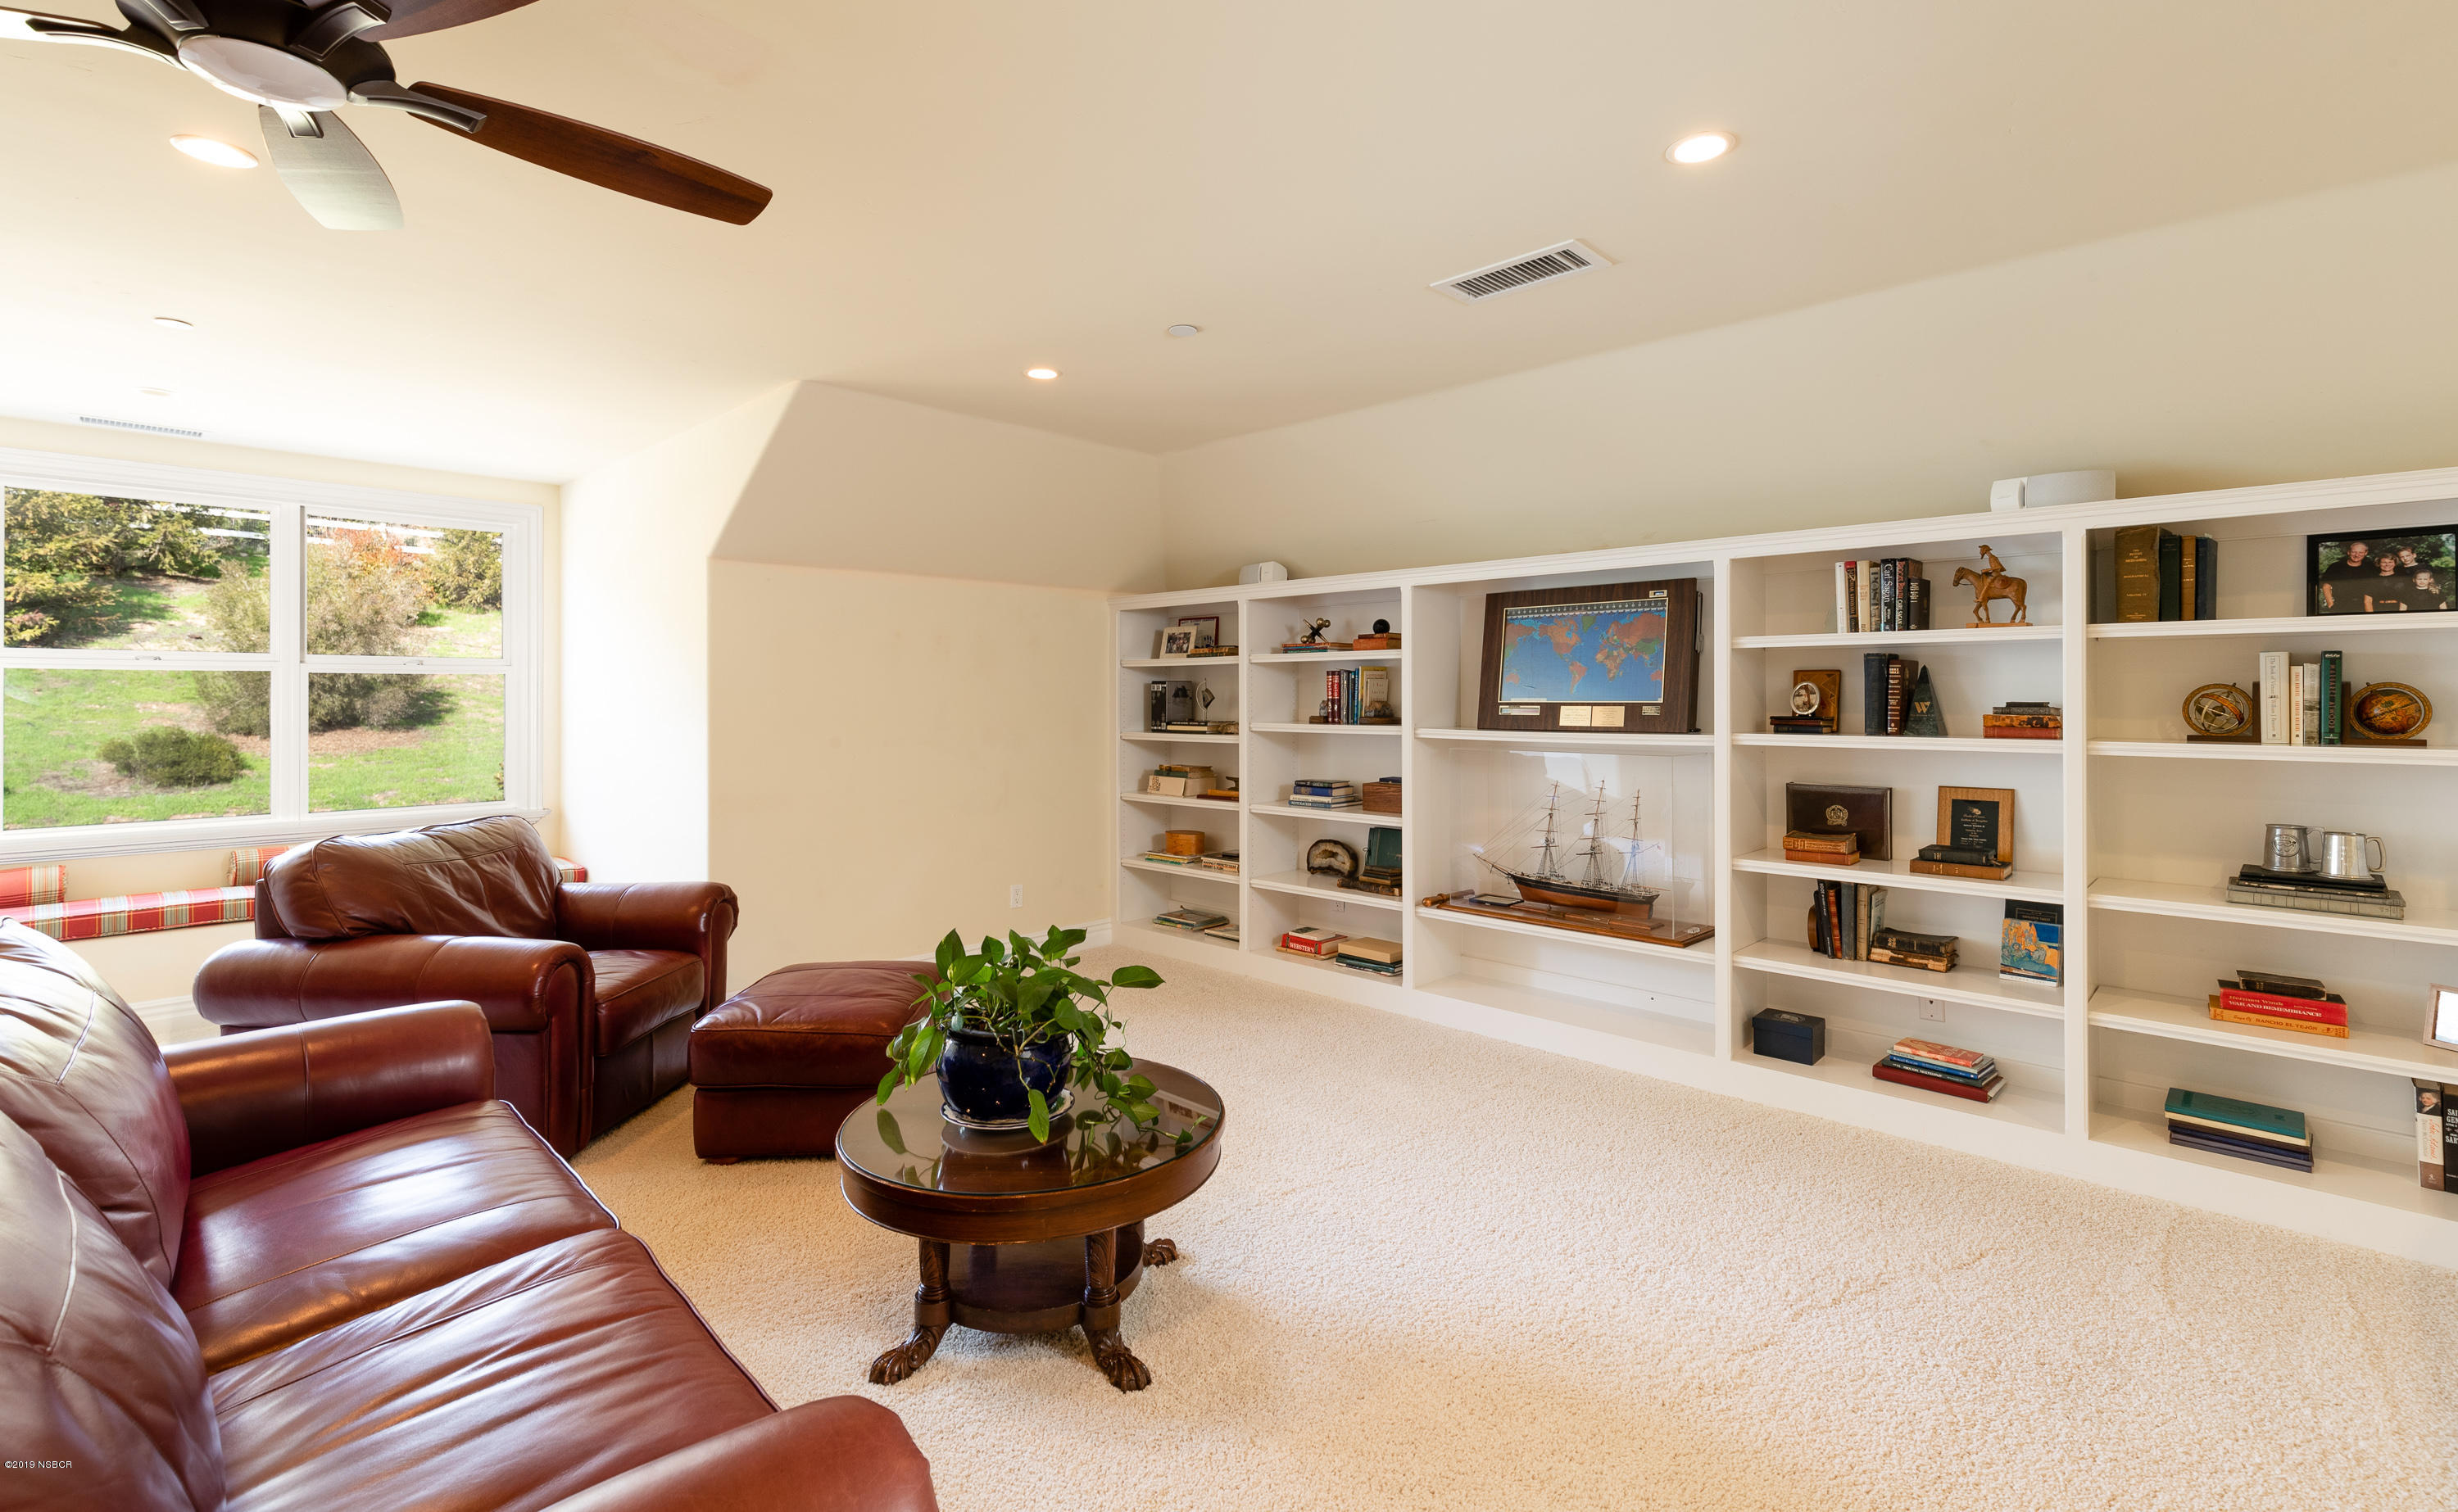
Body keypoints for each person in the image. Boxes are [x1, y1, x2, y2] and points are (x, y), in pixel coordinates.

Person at [2320, 539, 2371, 610]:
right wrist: (2331, 605)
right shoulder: (2336, 567)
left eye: (2361, 552)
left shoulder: (2369, 568)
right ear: (2348, 552)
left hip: (2364, 606)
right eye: (2354, 552)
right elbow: (2326, 587)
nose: (2357, 555)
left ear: (2366, 553)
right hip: (2340, 606)